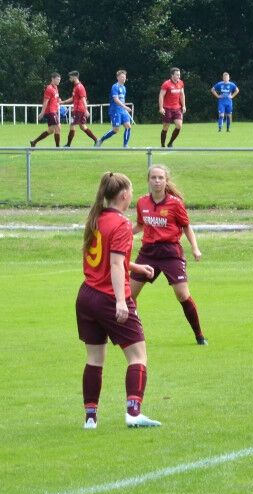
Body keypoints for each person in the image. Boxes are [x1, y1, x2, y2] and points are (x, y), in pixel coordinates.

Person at [76, 171, 161, 429]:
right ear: (124, 195)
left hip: (86, 296)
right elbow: (114, 264)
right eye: (131, 192)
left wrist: (135, 267)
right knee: (138, 356)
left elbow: (109, 259)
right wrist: (121, 302)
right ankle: (133, 413)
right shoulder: (122, 223)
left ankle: (90, 418)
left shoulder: (96, 218)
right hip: (109, 296)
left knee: (94, 359)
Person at [130, 164, 207, 346]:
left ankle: (199, 335)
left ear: (166, 181)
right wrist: (123, 233)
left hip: (170, 252)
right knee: (129, 295)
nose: (157, 181)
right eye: (153, 177)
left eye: (160, 178)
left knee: (182, 295)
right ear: (148, 180)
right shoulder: (142, 202)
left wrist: (195, 248)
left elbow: (186, 226)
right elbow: (140, 225)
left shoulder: (175, 203)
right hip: (148, 253)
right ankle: (133, 334)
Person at [60, 71, 99, 147]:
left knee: (72, 125)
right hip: (79, 110)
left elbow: (83, 99)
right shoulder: (76, 87)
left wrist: (86, 110)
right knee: (83, 127)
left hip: (78, 110)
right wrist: (63, 102)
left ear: (75, 77)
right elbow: (73, 98)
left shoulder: (79, 87)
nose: (70, 79)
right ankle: (96, 140)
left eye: (70, 77)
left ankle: (68, 145)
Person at [95, 70, 132, 148]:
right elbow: (116, 99)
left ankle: (125, 145)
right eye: (122, 77)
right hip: (115, 110)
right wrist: (125, 107)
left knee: (128, 127)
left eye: (124, 77)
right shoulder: (115, 86)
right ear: (118, 78)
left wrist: (124, 108)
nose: (124, 78)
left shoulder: (124, 88)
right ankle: (101, 140)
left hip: (122, 110)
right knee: (116, 130)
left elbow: (122, 100)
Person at [29, 72, 62, 148]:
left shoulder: (55, 88)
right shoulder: (49, 88)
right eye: (57, 79)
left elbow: (55, 98)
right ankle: (58, 147)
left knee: (51, 130)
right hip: (51, 111)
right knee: (58, 127)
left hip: (54, 111)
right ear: (52, 79)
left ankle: (34, 142)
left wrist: (58, 103)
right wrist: (42, 113)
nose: (59, 81)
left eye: (59, 80)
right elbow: (45, 101)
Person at [159, 67, 186, 147]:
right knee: (166, 127)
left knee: (179, 125)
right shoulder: (166, 84)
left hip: (177, 108)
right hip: (167, 109)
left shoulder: (181, 83)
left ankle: (170, 143)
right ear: (172, 75)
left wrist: (184, 106)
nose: (178, 76)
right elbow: (161, 95)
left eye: (179, 75)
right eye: (177, 75)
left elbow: (182, 95)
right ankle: (163, 145)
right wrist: (161, 107)